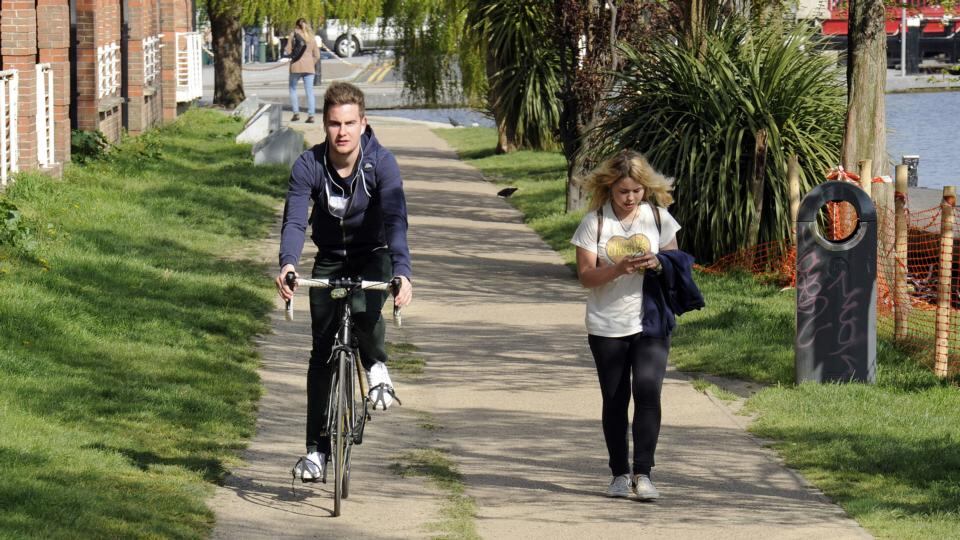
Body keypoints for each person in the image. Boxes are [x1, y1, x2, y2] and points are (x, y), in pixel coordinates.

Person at [276, 82, 413, 483]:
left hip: (373, 253)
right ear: (324, 124)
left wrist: (402, 271)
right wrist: (287, 264)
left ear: (363, 122)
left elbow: (396, 220)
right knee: (321, 353)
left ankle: (376, 366)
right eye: (334, 123)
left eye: (350, 123)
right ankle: (316, 451)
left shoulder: (382, 163)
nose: (342, 132)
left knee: (365, 311)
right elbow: (296, 220)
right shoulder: (309, 165)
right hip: (331, 258)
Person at [570, 150, 701, 501]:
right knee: (615, 401)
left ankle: (643, 473)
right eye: (622, 192)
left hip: (651, 320)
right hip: (606, 324)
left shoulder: (659, 218)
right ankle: (618, 473)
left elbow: (676, 262)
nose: (630, 198)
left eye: (636, 191)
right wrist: (618, 268)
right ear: (608, 189)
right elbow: (585, 276)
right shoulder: (594, 223)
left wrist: (658, 262)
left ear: (646, 188)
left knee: (647, 391)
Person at [283, 18, 322, 123]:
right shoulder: (311, 37)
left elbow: (287, 50)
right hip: (309, 68)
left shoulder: (293, 35)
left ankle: (296, 114)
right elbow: (317, 55)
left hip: (295, 66)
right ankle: (311, 115)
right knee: (309, 92)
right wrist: (310, 63)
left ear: (296, 25)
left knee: (293, 89)